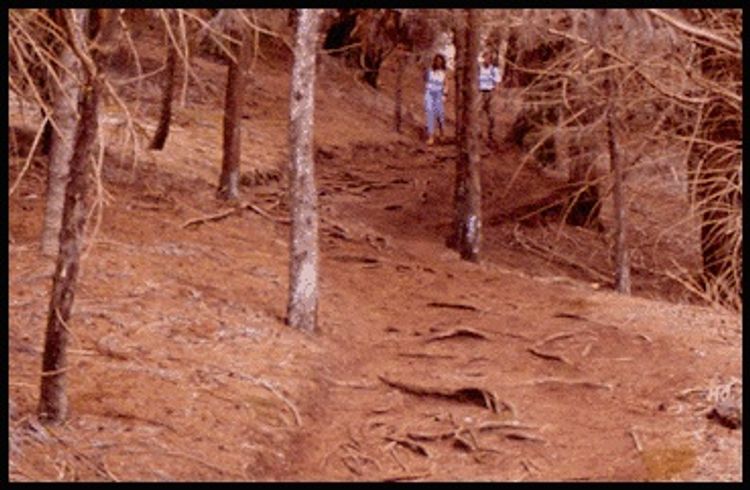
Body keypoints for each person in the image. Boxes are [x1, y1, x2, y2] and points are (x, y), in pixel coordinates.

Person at [478, 50, 502, 145]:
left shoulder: (494, 70)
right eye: (486, 57)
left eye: (489, 58)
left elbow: (497, 83)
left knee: (491, 116)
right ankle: (478, 133)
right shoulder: (478, 69)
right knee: (477, 113)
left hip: (490, 93)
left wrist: (495, 93)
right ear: (483, 58)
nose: (487, 60)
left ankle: (490, 135)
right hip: (480, 92)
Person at [424, 54, 448, 146]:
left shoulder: (443, 73)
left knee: (439, 114)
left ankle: (442, 133)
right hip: (429, 93)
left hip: (438, 94)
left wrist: (445, 94)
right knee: (430, 113)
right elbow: (425, 80)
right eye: (437, 61)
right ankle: (431, 136)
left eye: (440, 61)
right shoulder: (429, 71)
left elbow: (446, 84)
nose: (438, 63)